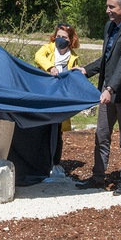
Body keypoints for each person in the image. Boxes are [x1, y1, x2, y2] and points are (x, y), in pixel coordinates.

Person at [73, 0, 121, 195]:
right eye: (107, 6)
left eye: (111, 7)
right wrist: (86, 70)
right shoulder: (109, 27)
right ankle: (97, 178)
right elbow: (106, 58)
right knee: (101, 135)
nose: (107, 11)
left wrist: (109, 89)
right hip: (108, 91)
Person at [34, 23, 81, 177]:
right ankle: (40, 163)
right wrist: (50, 67)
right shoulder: (48, 49)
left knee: (58, 132)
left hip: (61, 99)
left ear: (70, 40)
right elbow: (38, 57)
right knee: (44, 130)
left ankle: (55, 163)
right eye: (58, 36)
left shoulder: (73, 57)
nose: (60, 39)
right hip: (46, 95)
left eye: (64, 37)